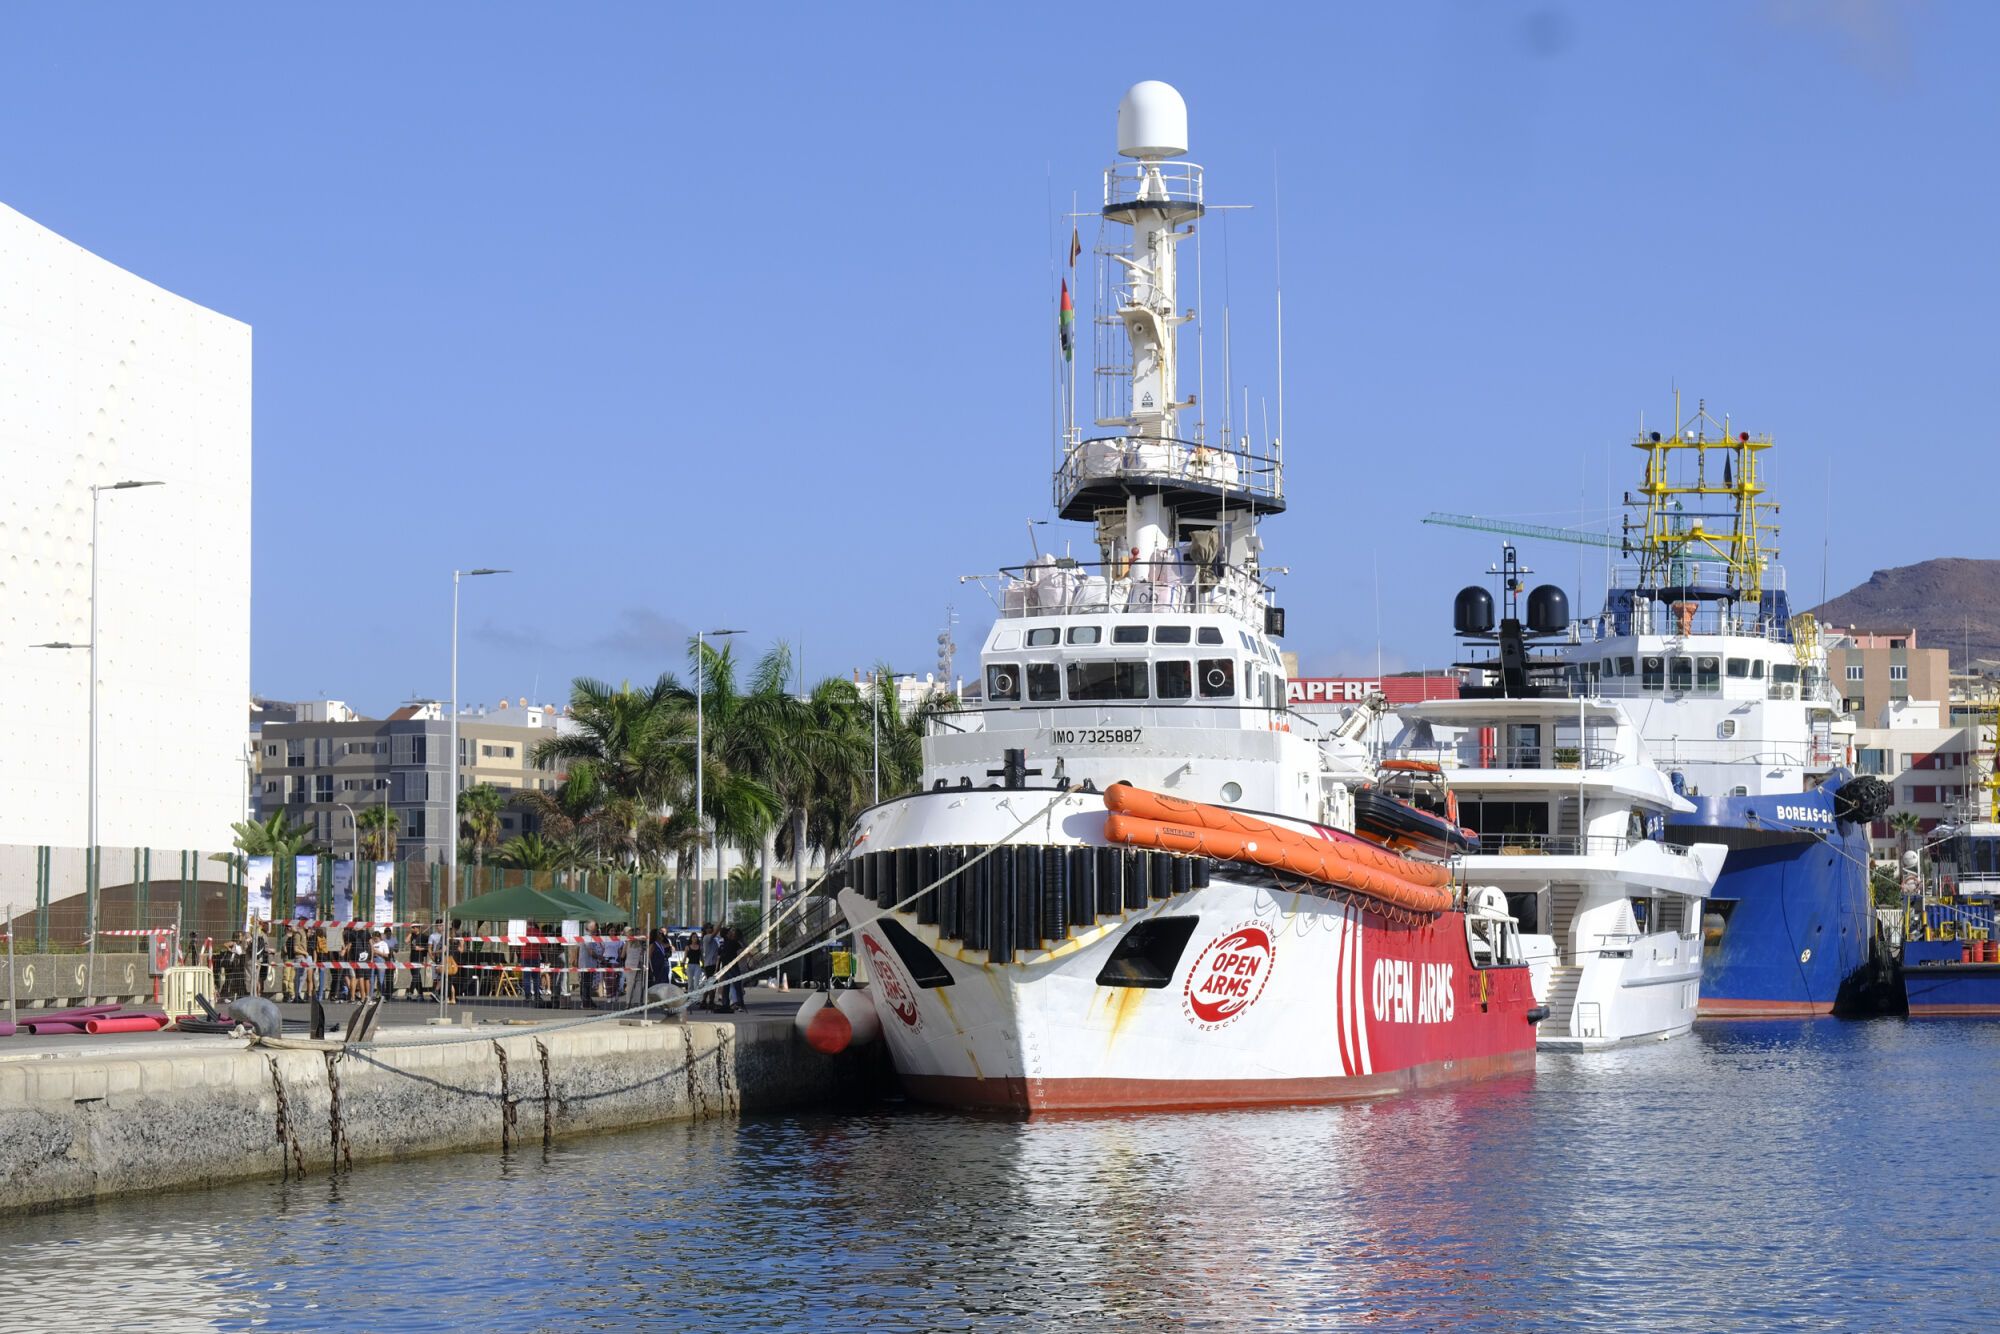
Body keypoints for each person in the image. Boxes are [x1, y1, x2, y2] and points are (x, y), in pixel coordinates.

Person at [718, 926, 746, 1012]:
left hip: (730, 968)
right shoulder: (729, 943)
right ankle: (733, 1004)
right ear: (727, 934)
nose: (731, 933)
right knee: (732, 987)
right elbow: (743, 949)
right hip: (730, 968)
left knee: (731, 987)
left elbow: (742, 950)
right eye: (729, 932)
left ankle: (729, 1004)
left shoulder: (731, 943)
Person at [700, 923, 723, 1012]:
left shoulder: (714, 939)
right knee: (712, 984)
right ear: (705, 930)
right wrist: (721, 921)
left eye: (711, 927)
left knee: (708, 983)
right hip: (710, 964)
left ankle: (703, 1001)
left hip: (712, 964)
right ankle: (711, 1002)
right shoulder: (707, 937)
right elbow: (716, 932)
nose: (711, 929)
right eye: (709, 928)